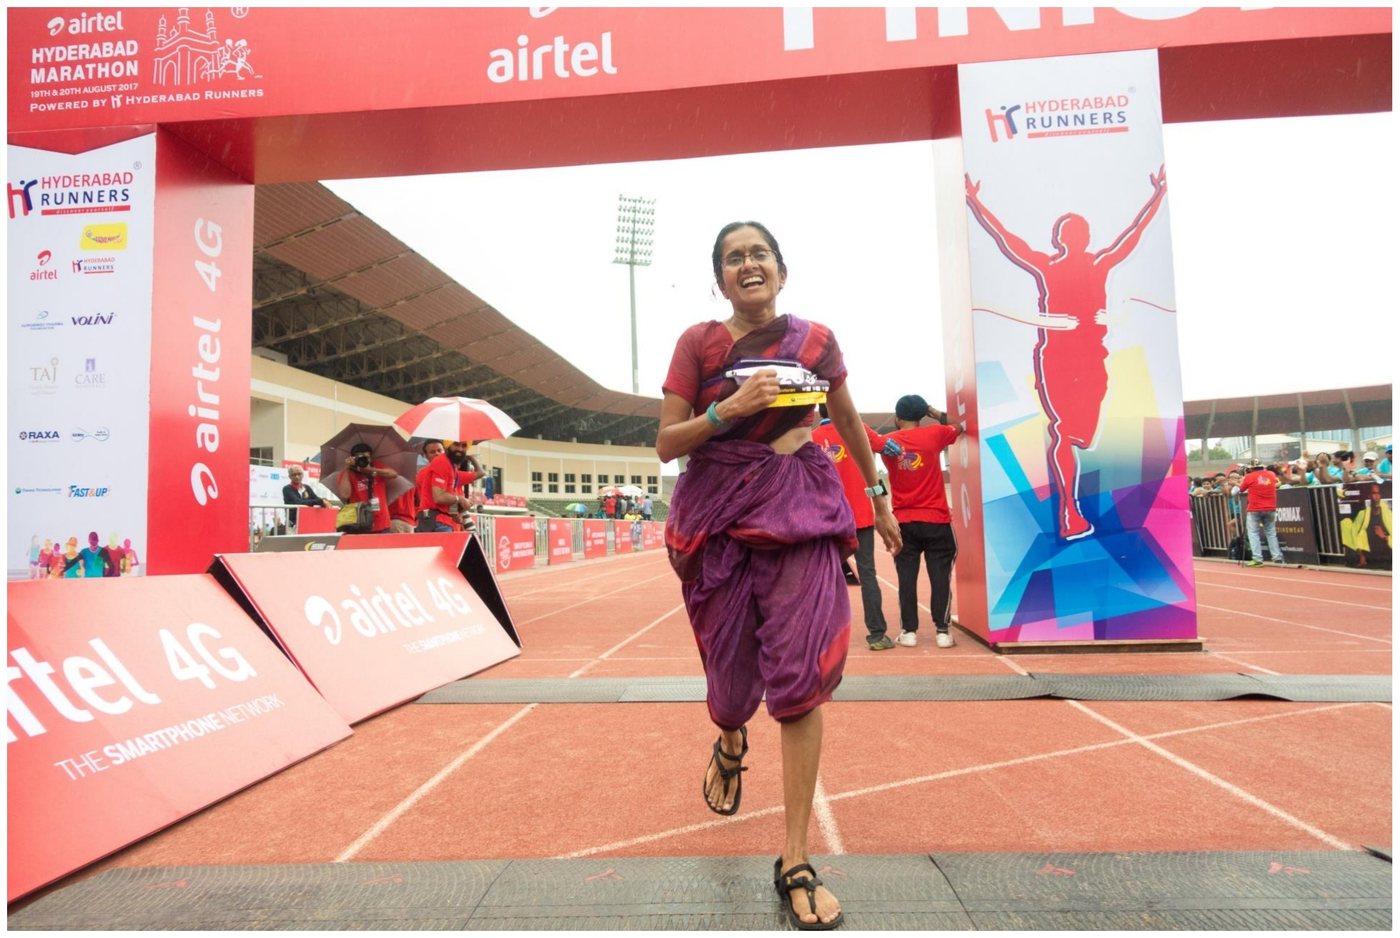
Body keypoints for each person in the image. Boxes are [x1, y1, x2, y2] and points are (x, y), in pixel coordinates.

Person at [657, 220, 900, 930]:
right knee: (730, 690)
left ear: (782, 272)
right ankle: (730, 739)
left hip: (801, 511)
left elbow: (850, 422)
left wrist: (877, 495)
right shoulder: (699, 344)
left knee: (799, 679)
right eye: (733, 258)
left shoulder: (817, 341)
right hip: (718, 517)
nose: (748, 264)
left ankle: (794, 857)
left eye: (759, 253)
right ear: (720, 279)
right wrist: (725, 411)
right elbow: (667, 444)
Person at [966, 166, 1167, 541]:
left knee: (1083, 436)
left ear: (1085, 238)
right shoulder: (1047, 266)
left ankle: (1071, 500)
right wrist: (975, 202)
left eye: (1080, 233)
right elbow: (1006, 240)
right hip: (1057, 355)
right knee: (1063, 431)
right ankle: (1069, 512)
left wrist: (1157, 196)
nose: (1075, 238)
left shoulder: (1098, 264)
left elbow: (1133, 235)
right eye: (1069, 233)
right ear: (1061, 239)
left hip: (1092, 357)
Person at [812, 403, 903, 650]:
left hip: (827, 520)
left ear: (820, 414)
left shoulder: (811, 439)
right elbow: (890, 447)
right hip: (860, 516)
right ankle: (876, 635)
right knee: (868, 573)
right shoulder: (859, 429)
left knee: (823, 579)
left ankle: (823, 639)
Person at [882, 395, 962, 648]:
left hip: (904, 521)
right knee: (940, 576)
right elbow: (960, 424)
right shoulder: (934, 434)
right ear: (921, 416)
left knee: (906, 577)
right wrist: (933, 411)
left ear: (897, 418)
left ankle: (909, 632)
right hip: (936, 518)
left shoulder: (887, 443)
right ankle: (942, 632)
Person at [417, 439, 482, 532]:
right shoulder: (441, 463)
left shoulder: (450, 466)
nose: (460, 449)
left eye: (464, 446)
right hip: (436, 521)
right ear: (447, 445)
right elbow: (439, 497)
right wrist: (461, 499)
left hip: (443, 521)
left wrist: (455, 512)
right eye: (456, 444)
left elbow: (448, 495)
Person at [336, 441, 399, 534]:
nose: (364, 460)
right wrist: (346, 468)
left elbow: (394, 474)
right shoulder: (347, 473)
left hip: (382, 522)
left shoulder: (376, 466)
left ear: (371, 457)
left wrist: (371, 470)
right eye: (360, 458)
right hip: (360, 522)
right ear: (353, 458)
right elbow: (345, 495)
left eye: (367, 458)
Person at [1235, 461, 1284, 566]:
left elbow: (1241, 489)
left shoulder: (1249, 476)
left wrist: (1237, 483)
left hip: (1255, 508)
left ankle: (1257, 559)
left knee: (1253, 533)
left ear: (1251, 468)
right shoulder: (1271, 474)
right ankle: (1277, 557)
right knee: (1271, 532)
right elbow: (1277, 483)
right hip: (1271, 507)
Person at [282, 465, 326, 530]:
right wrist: (321, 501)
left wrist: (325, 501)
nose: (297, 477)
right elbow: (298, 502)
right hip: (293, 523)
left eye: (299, 474)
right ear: (289, 477)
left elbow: (316, 498)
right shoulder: (287, 489)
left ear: (303, 475)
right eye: (294, 475)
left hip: (307, 520)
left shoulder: (307, 487)